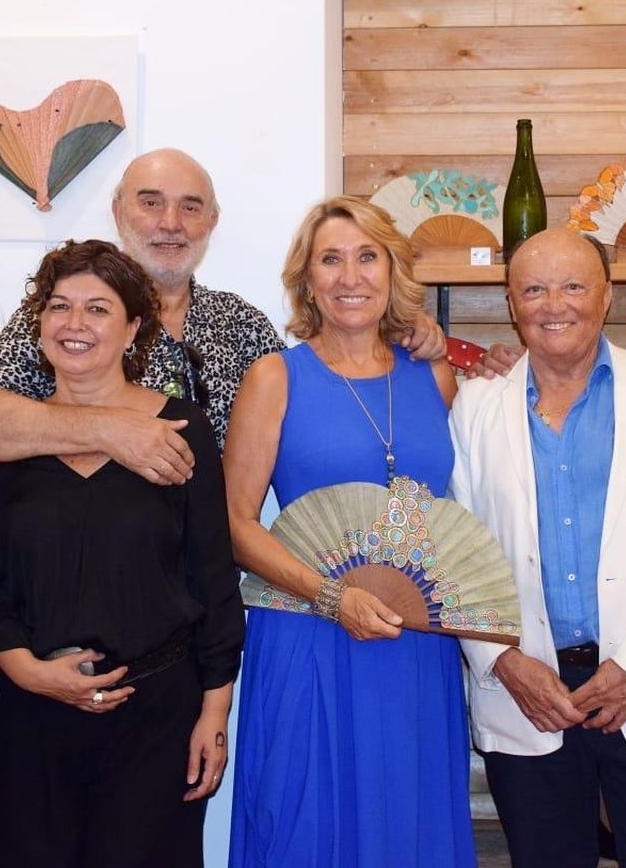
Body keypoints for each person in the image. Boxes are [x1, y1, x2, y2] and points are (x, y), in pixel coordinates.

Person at [448, 227, 626, 868]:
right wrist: (502, 662)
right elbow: (458, 555)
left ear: (606, 296)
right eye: (534, 289)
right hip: (530, 693)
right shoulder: (475, 408)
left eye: (574, 285)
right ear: (512, 303)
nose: (555, 305)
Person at [0, 239, 243, 868]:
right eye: (59, 307)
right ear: (38, 325)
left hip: (158, 717)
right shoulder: (12, 435)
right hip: (36, 717)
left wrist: (214, 715)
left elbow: (215, 581)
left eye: (97, 309)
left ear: (133, 327)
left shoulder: (181, 428)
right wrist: (26, 670)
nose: (74, 324)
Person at [225, 196, 473, 868]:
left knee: (407, 822)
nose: (350, 275)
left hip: (412, 641)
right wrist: (333, 597)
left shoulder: (437, 377)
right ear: (307, 279)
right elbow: (237, 525)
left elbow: (434, 505)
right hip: (309, 631)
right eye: (330, 259)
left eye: (368, 256)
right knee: (304, 822)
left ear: (393, 270)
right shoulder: (275, 377)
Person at [0, 147, 443, 472]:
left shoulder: (243, 325)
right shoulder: (73, 321)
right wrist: (107, 428)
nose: (171, 223)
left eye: (190, 207)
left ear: (212, 221)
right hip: (94, 584)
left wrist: (397, 328)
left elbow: (315, 409)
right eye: (151, 202)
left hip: (212, 590)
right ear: (118, 213)